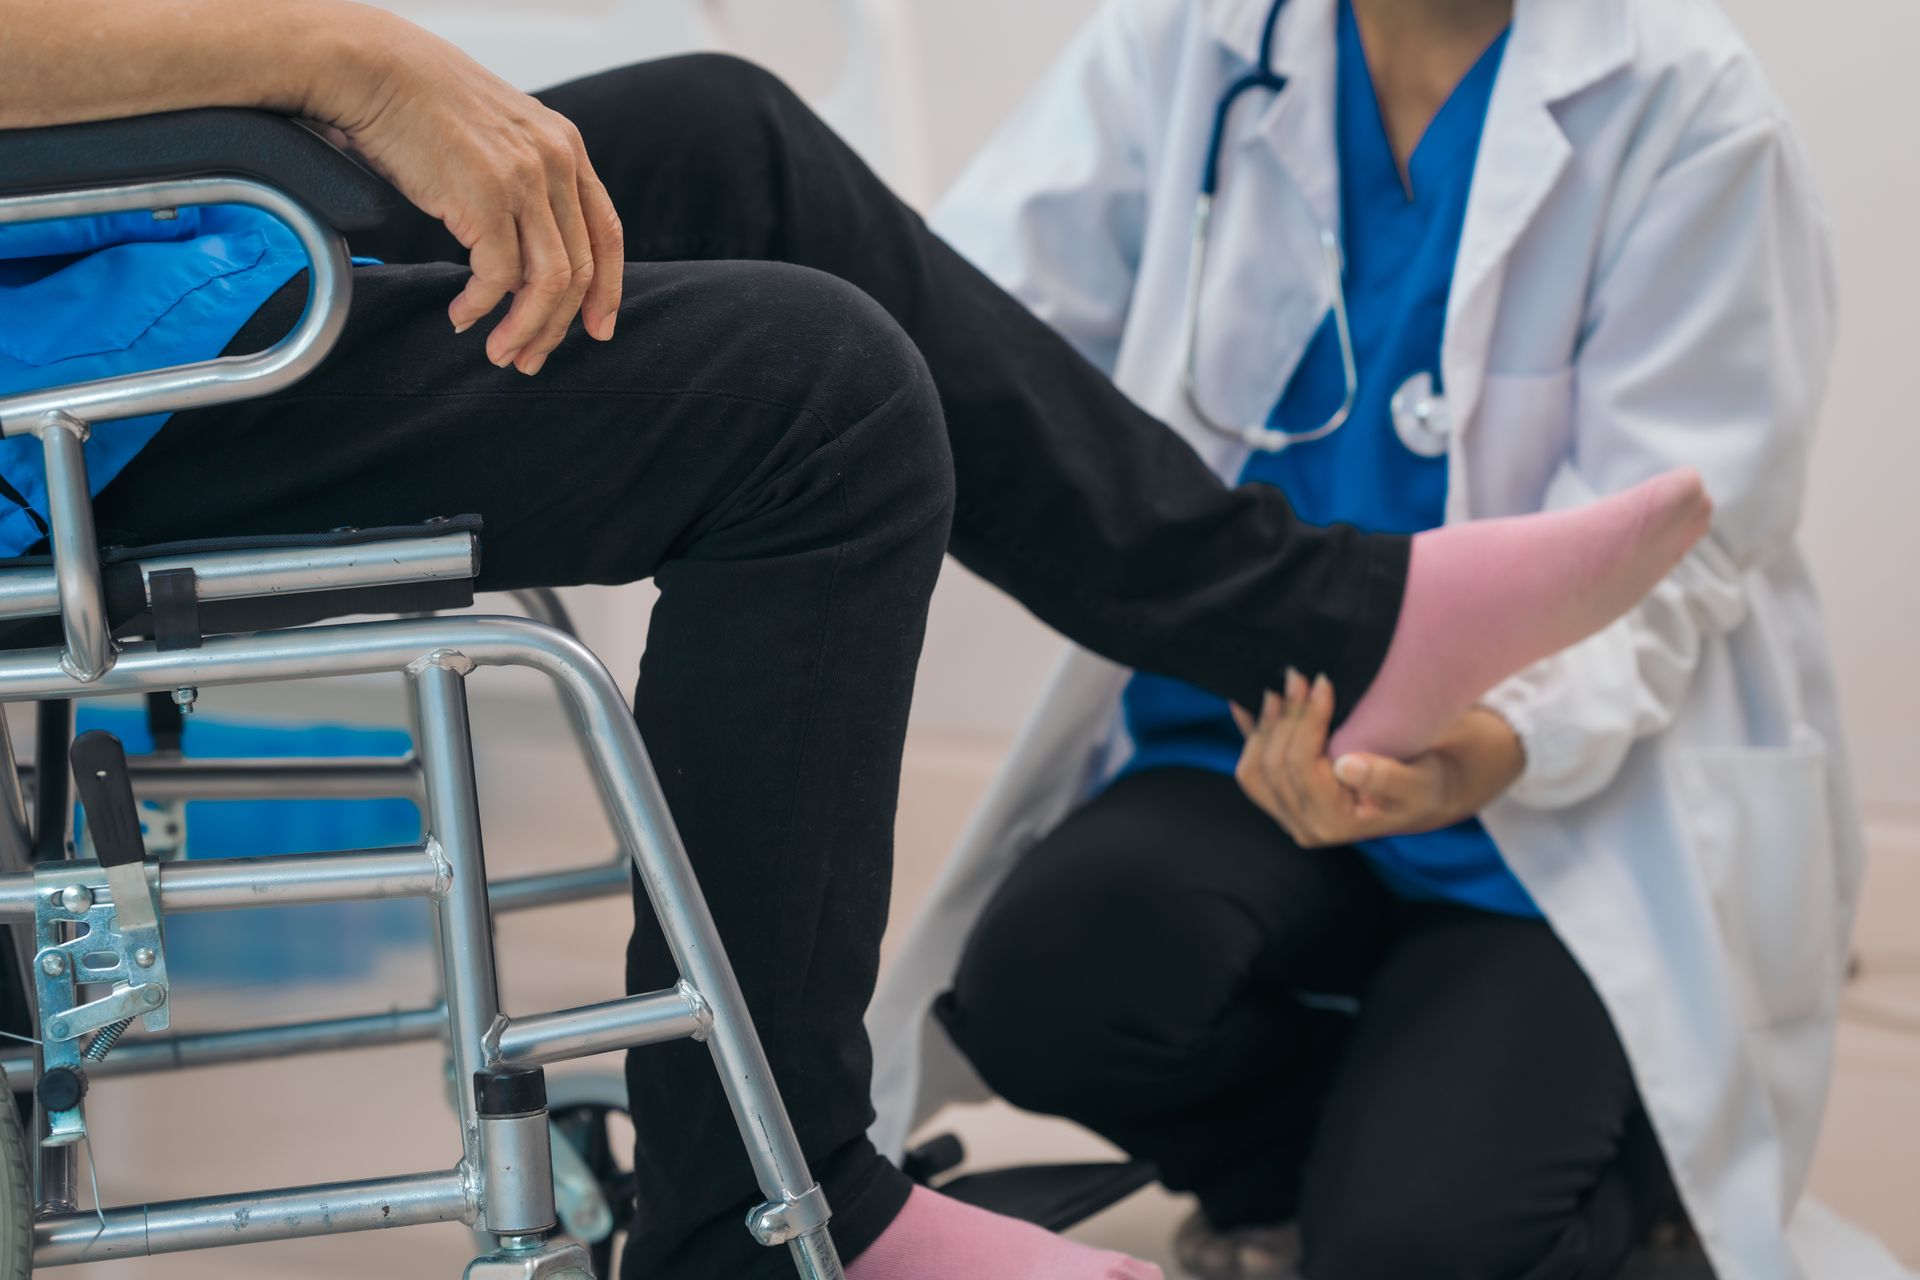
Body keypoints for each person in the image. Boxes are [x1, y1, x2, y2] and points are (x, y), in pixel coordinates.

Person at [0, 4, 1709, 1277]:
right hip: (65, 374)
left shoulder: (1682, 93)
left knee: (728, 140)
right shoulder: (1225, 41)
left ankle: (1334, 614)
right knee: (819, 402)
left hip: (149, 231)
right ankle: (763, 1209)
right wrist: (350, 68)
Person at [866, 0, 1895, 1278]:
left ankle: (1623, 1189)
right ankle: (1341, 1152)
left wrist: (1483, 746)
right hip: (1253, 747)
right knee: (1046, 985)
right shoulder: (1194, 43)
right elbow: (973, 325)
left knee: (1417, 1249)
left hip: (1557, 803)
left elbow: (1687, 544)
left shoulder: (1690, 105)